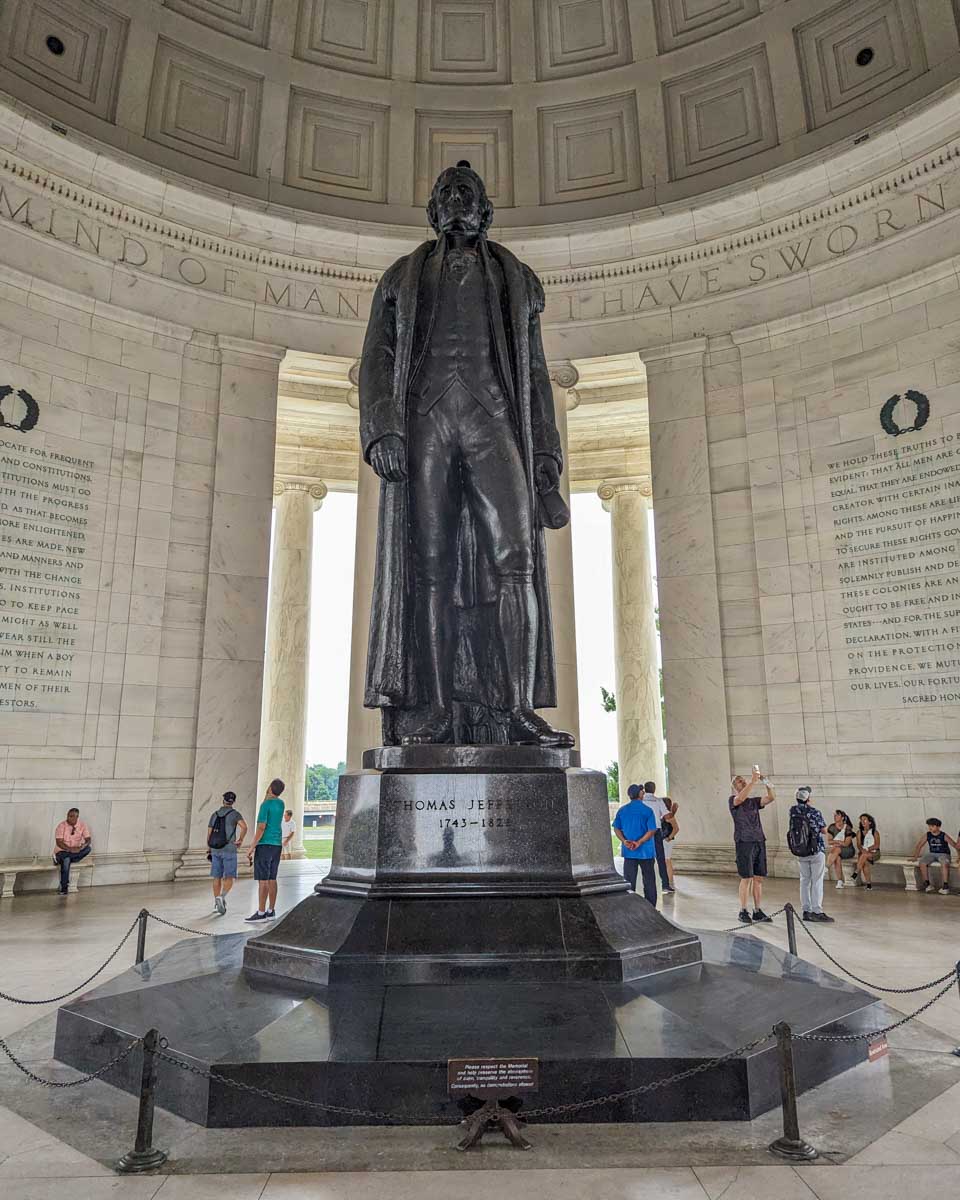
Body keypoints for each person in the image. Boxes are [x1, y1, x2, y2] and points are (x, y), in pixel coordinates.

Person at [729, 767, 776, 924]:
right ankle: (743, 910)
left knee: (758, 877)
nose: (742, 781)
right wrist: (753, 781)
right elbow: (741, 798)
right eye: (739, 781)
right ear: (734, 787)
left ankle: (757, 910)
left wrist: (765, 781)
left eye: (743, 779)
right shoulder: (733, 800)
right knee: (746, 877)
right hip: (744, 841)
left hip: (758, 840)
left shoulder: (753, 802)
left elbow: (771, 797)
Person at [787, 786, 834, 923]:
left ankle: (806, 910)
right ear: (808, 798)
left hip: (801, 851)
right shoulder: (814, 812)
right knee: (817, 881)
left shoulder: (793, 811)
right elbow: (824, 830)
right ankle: (817, 911)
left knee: (804, 881)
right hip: (815, 850)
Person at [246, 779, 286, 922]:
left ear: (269, 788)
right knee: (272, 878)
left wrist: (251, 846)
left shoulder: (265, 805)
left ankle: (261, 912)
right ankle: (271, 909)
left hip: (265, 844)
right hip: (276, 844)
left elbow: (261, 827)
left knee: (262, 880)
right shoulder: (281, 804)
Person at [612, 784, 659, 905]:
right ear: (640, 794)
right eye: (642, 792)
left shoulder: (622, 810)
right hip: (646, 852)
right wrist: (640, 842)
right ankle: (650, 907)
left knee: (629, 882)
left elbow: (616, 828)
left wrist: (624, 840)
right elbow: (652, 830)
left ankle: (629, 906)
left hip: (629, 852)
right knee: (649, 881)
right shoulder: (647, 811)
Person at [207, 791, 246, 915]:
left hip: (215, 849)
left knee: (216, 877)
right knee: (230, 876)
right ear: (233, 802)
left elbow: (209, 833)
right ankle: (222, 897)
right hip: (229, 849)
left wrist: (209, 847)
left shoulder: (214, 814)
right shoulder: (235, 814)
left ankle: (215, 903)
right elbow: (244, 827)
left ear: (223, 800)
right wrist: (240, 840)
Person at [642, 781, 677, 894]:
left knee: (646, 860)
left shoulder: (641, 801)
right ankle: (665, 885)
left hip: (644, 831)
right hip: (656, 831)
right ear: (654, 789)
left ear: (645, 789)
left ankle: (648, 885)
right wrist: (674, 810)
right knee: (661, 859)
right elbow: (667, 816)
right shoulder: (658, 801)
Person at [52, 807, 91, 895]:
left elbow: (88, 839)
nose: (69, 818)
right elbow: (59, 842)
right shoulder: (61, 826)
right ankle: (64, 888)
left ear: (76, 817)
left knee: (88, 848)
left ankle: (72, 857)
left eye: (71, 816)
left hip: (76, 852)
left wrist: (81, 847)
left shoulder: (82, 825)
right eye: (68, 816)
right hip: (61, 852)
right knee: (66, 859)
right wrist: (71, 850)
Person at [912, 818, 956, 894]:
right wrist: (915, 857)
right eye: (929, 826)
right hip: (932, 853)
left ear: (938, 827)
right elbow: (919, 845)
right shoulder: (927, 835)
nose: (930, 828)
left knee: (944, 863)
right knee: (922, 862)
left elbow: (955, 845)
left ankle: (945, 886)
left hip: (944, 854)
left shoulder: (943, 835)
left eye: (932, 826)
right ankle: (927, 884)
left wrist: (959, 857)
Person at [826, 810, 856, 888]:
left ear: (842, 818)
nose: (835, 816)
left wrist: (836, 842)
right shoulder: (831, 827)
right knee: (837, 858)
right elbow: (829, 841)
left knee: (836, 849)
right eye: (834, 815)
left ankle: (826, 867)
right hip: (837, 850)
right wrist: (838, 842)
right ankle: (840, 881)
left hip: (848, 850)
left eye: (837, 815)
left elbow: (846, 843)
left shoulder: (847, 827)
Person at [853, 813, 880, 889]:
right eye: (861, 820)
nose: (862, 821)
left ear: (870, 822)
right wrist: (862, 850)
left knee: (864, 856)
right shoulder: (859, 832)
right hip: (863, 852)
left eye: (865, 820)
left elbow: (877, 845)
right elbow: (858, 845)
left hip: (874, 853)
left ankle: (856, 872)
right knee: (865, 863)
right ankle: (869, 885)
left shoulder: (875, 832)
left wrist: (867, 849)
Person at [661, 797, 679, 890]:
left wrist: (669, 837)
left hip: (667, 840)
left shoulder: (669, 816)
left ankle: (670, 882)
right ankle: (667, 882)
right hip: (665, 840)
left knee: (667, 861)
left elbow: (676, 828)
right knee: (666, 861)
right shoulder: (667, 815)